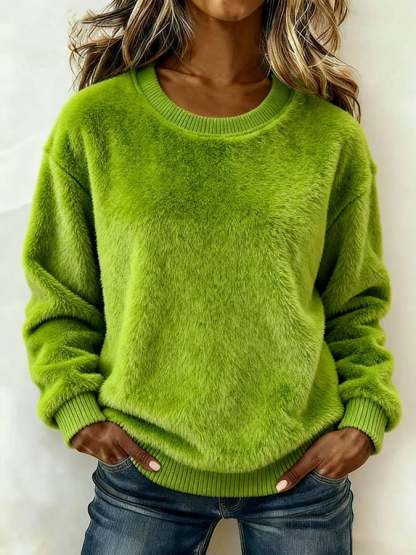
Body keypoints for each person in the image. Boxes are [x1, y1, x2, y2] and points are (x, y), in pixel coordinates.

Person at [21, 0, 403, 553]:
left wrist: (364, 416)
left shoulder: (328, 137)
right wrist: (75, 406)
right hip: (142, 475)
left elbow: (355, 302)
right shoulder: (97, 122)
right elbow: (60, 291)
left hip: (303, 479)